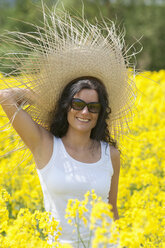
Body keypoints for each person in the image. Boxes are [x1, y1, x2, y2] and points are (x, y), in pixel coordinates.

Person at [0, 6, 136, 247]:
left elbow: (111, 211)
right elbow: (5, 96)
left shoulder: (111, 155)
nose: (85, 112)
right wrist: (49, 104)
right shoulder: (45, 146)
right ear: (67, 105)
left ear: (100, 113)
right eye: (77, 104)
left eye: (93, 107)